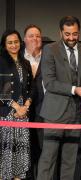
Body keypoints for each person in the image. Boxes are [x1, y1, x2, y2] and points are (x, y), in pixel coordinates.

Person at [37, 16, 81, 180]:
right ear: (60, 32)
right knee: (48, 159)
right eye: (67, 34)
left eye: (75, 34)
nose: (71, 38)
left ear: (79, 32)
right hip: (54, 113)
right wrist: (74, 89)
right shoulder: (50, 50)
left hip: (76, 115)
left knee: (70, 161)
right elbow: (49, 82)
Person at [0, 30, 33, 180]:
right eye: (10, 42)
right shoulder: (1, 62)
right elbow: (1, 89)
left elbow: (32, 87)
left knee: (21, 149)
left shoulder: (25, 63)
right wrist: (16, 107)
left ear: (20, 42)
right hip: (7, 111)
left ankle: (18, 176)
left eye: (16, 42)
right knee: (6, 151)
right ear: (5, 45)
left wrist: (26, 105)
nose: (14, 45)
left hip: (23, 113)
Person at [23, 24, 44, 179]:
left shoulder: (48, 56)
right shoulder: (17, 57)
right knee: (25, 150)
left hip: (43, 110)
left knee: (43, 150)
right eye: (31, 36)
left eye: (37, 36)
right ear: (24, 39)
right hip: (22, 110)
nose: (34, 39)